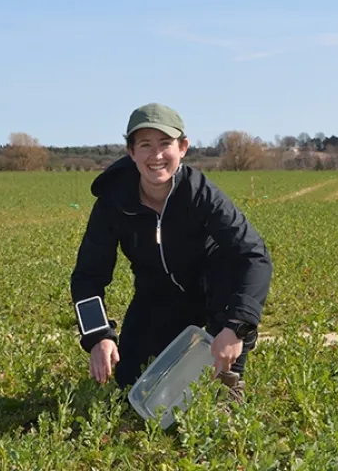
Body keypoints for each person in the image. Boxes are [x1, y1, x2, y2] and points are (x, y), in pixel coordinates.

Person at [70, 103, 273, 402]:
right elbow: (88, 276)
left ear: (183, 147)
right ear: (131, 152)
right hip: (158, 295)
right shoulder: (113, 204)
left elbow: (253, 255)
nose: (156, 156)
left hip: (213, 290)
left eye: (165, 144)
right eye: (145, 145)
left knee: (227, 269)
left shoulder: (200, 193)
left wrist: (237, 326)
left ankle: (228, 386)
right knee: (131, 382)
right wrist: (97, 335)